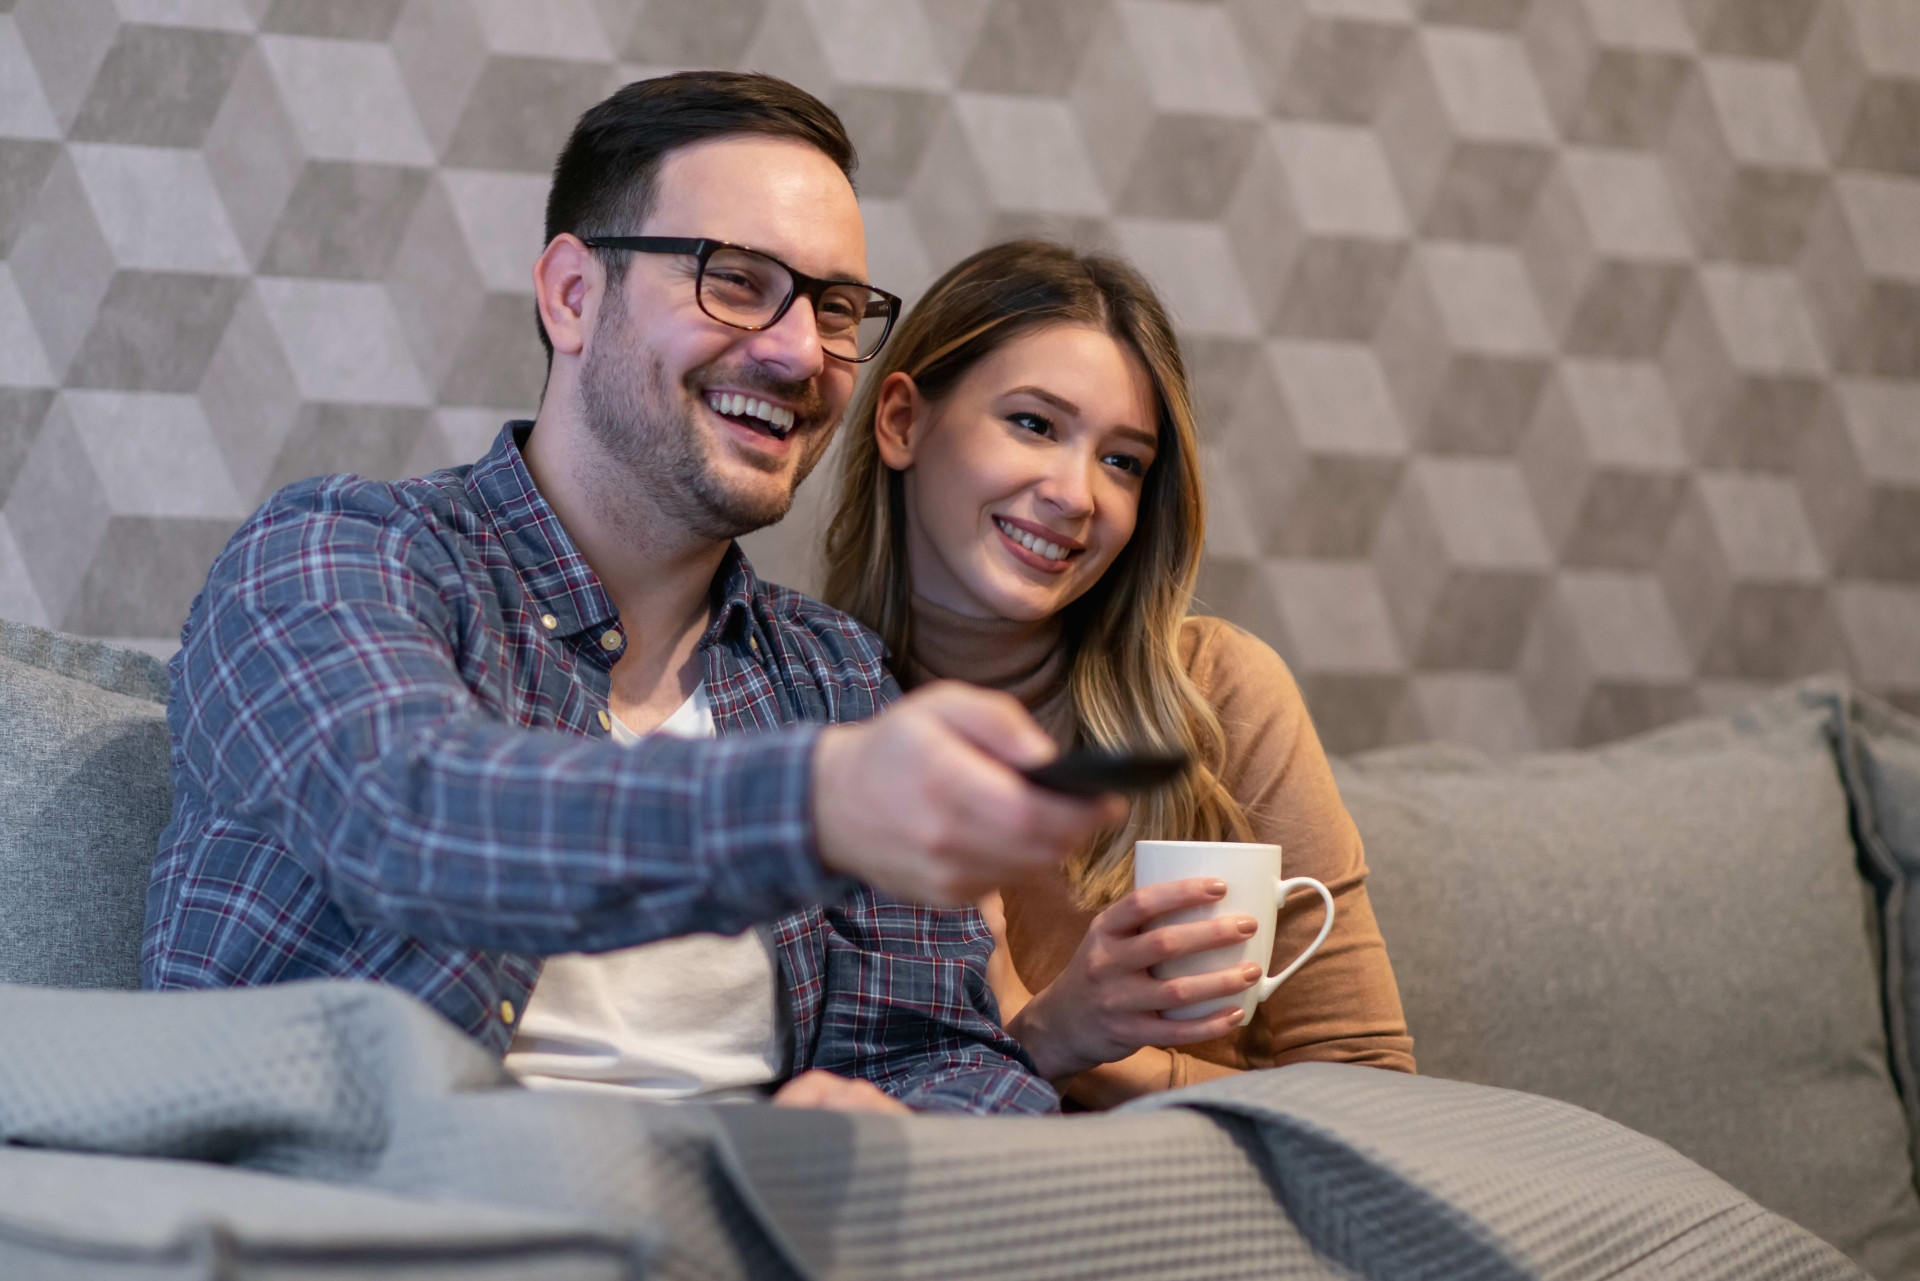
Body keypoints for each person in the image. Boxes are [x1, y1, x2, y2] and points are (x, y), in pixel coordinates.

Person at [144, 75, 1124, 1117]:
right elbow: (412, 816)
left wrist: (904, 1127)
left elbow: (947, 1053)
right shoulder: (339, 555)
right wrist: (815, 805)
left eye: (834, 308)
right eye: (736, 281)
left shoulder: (831, 674)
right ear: (572, 296)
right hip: (365, 1216)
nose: (799, 352)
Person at [821, 240, 1416, 1109]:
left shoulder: (1217, 696)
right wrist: (1047, 1035)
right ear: (903, 421)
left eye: (1122, 461)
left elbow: (1378, 1090)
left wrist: (1071, 1040)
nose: (1077, 495)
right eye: (1033, 423)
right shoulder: (797, 701)